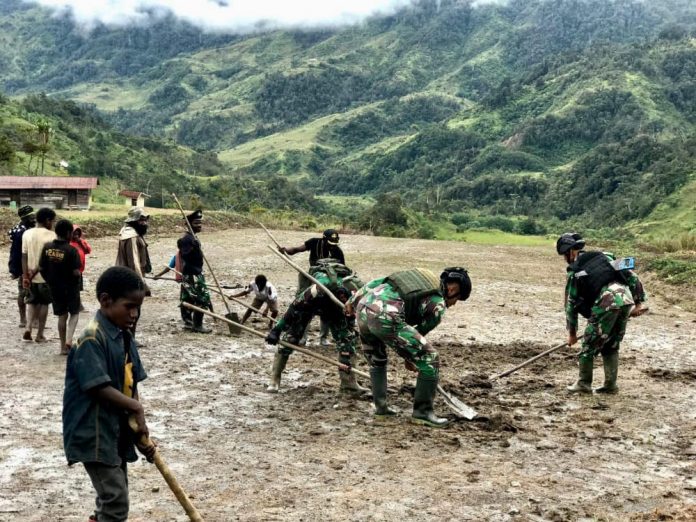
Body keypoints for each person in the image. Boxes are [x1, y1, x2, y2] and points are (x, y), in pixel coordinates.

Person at [62, 266, 155, 522]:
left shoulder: (124, 336)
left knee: (114, 495)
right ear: (105, 300)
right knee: (115, 501)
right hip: (93, 432)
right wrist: (135, 409)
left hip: (114, 430)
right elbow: (98, 387)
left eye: (138, 307)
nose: (135, 314)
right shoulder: (92, 339)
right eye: (129, 306)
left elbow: (131, 384)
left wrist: (139, 430)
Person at [347, 267, 472, 428]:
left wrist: (351, 301)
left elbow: (377, 282)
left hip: (363, 308)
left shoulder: (421, 277)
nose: (454, 304)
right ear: (453, 289)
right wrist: (411, 357)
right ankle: (423, 413)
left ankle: (381, 409)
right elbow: (417, 336)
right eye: (458, 299)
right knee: (429, 358)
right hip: (385, 315)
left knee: (377, 359)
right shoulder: (438, 304)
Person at [557, 233, 648, 394]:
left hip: (607, 302)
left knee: (588, 345)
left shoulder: (575, 271)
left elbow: (570, 304)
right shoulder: (605, 256)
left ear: (570, 252)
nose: (565, 259)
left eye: (564, 255)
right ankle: (610, 385)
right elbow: (632, 274)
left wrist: (572, 333)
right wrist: (638, 303)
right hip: (625, 299)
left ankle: (583, 383)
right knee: (611, 344)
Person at [264, 260, 368, 395]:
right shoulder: (317, 290)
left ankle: (348, 384)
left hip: (338, 310)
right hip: (312, 305)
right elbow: (294, 308)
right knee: (291, 338)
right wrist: (276, 330)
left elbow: (360, 316)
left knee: (346, 343)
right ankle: (275, 378)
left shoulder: (361, 292)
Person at [278, 229, 345, 346]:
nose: (332, 246)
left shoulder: (338, 252)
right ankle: (302, 337)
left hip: (328, 282)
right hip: (312, 278)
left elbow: (342, 270)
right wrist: (286, 250)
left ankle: (323, 338)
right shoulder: (314, 242)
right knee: (305, 306)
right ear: (324, 239)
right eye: (330, 243)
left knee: (327, 309)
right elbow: (296, 249)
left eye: (334, 243)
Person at [39, 219, 82, 355]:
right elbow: (76, 271)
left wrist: (49, 280)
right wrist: (78, 277)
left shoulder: (47, 247)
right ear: (69, 233)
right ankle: (69, 340)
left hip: (54, 287)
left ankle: (63, 346)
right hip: (71, 287)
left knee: (61, 316)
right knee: (74, 313)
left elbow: (41, 268)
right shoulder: (72, 250)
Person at [21, 207, 57, 342]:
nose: (53, 224)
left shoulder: (27, 234)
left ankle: (28, 328)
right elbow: (50, 259)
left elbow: (23, 256)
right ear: (48, 221)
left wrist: (25, 276)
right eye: (53, 221)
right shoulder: (52, 236)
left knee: (31, 302)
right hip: (45, 277)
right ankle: (40, 334)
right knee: (44, 304)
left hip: (29, 276)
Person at [115, 207, 152, 334]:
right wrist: (142, 283)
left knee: (129, 308)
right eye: (142, 221)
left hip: (124, 276)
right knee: (133, 310)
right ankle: (129, 339)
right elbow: (134, 262)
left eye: (145, 220)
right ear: (134, 221)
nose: (145, 223)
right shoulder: (131, 236)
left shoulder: (128, 232)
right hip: (130, 278)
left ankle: (128, 338)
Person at [177, 209, 212, 333]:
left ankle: (189, 322)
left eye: (200, 223)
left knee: (190, 298)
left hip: (195, 272)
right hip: (192, 273)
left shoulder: (193, 238)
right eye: (196, 223)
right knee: (202, 298)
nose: (199, 225)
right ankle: (197, 325)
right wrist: (193, 247)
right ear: (189, 224)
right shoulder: (187, 239)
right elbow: (184, 254)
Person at [8, 205, 36, 328]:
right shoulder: (21, 233)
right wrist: (15, 270)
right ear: (25, 219)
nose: (34, 219)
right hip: (24, 268)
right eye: (31, 217)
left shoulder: (25, 229)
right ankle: (23, 319)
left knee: (33, 292)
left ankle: (31, 320)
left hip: (32, 266)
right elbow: (15, 253)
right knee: (23, 292)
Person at [70, 224, 92, 309]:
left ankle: (77, 304)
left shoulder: (81, 242)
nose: (76, 236)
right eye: (74, 233)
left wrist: (81, 242)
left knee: (78, 288)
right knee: (74, 288)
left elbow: (88, 250)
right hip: (71, 270)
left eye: (77, 234)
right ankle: (77, 305)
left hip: (79, 270)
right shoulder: (69, 243)